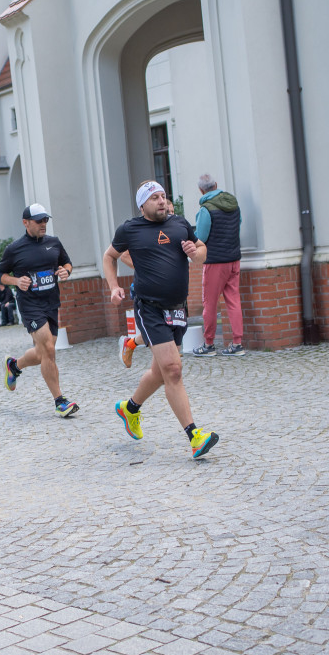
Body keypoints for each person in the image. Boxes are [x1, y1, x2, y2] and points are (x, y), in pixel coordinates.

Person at [102, 180, 218, 460]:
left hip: (177, 307)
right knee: (173, 369)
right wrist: (114, 287)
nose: (162, 201)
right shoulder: (130, 229)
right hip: (149, 307)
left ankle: (129, 409)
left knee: (159, 373)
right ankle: (195, 436)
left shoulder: (180, 224)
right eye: (154, 198)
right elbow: (109, 256)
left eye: (163, 196)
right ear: (142, 204)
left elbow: (202, 253)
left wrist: (196, 252)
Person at [0, 203, 79, 418]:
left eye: (46, 220)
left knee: (43, 352)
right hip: (30, 304)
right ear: (26, 223)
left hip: (51, 302)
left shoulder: (54, 243)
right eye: (39, 221)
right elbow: (0, 275)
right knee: (50, 350)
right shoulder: (14, 249)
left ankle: (14, 366)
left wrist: (65, 271)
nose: (44, 224)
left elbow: (67, 263)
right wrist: (16, 281)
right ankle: (60, 401)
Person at [189, 174, 244, 357]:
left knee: (210, 303)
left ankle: (209, 345)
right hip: (234, 259)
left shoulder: (206, 209)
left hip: (215, 262)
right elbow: (239, 225)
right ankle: (237, 344)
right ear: (217, 185)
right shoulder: (233, 204)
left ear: (201, 190)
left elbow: (201, 238)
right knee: (234, 301)